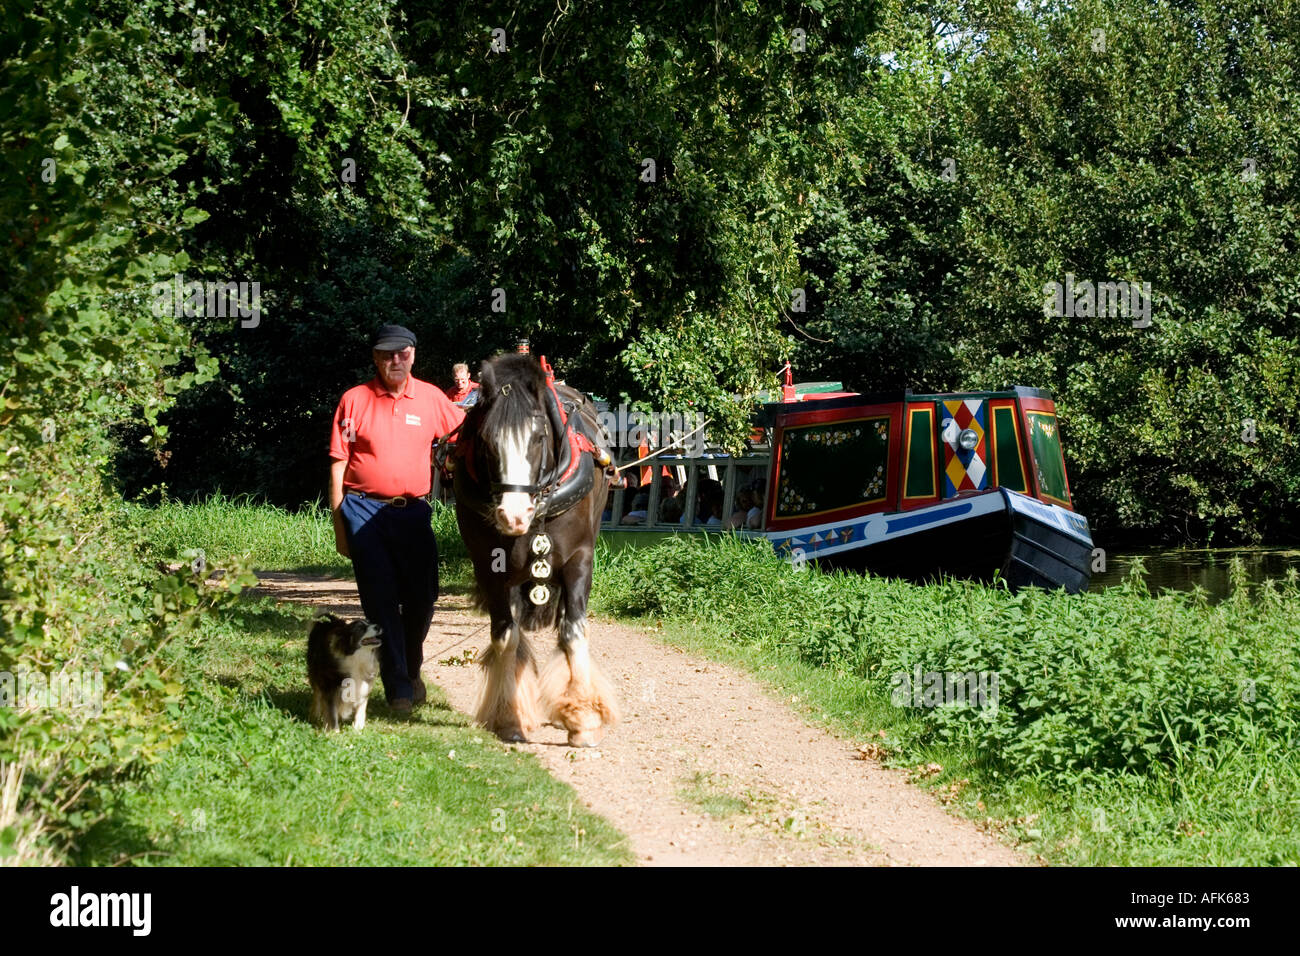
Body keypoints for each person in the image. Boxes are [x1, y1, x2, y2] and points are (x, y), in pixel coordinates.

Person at [328, 325, 465, 713]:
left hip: (413, 512)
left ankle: (411, 666)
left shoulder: (432, 399)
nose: (395, 361)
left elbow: (468, 432)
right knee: (381, 601)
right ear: (375, 357)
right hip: (362, 509)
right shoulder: (354, 400)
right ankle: (399, 688)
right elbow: (338, 467)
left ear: (413, 355)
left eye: (402, 353)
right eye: (387, 354)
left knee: (423, 599)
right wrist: (340, 526)